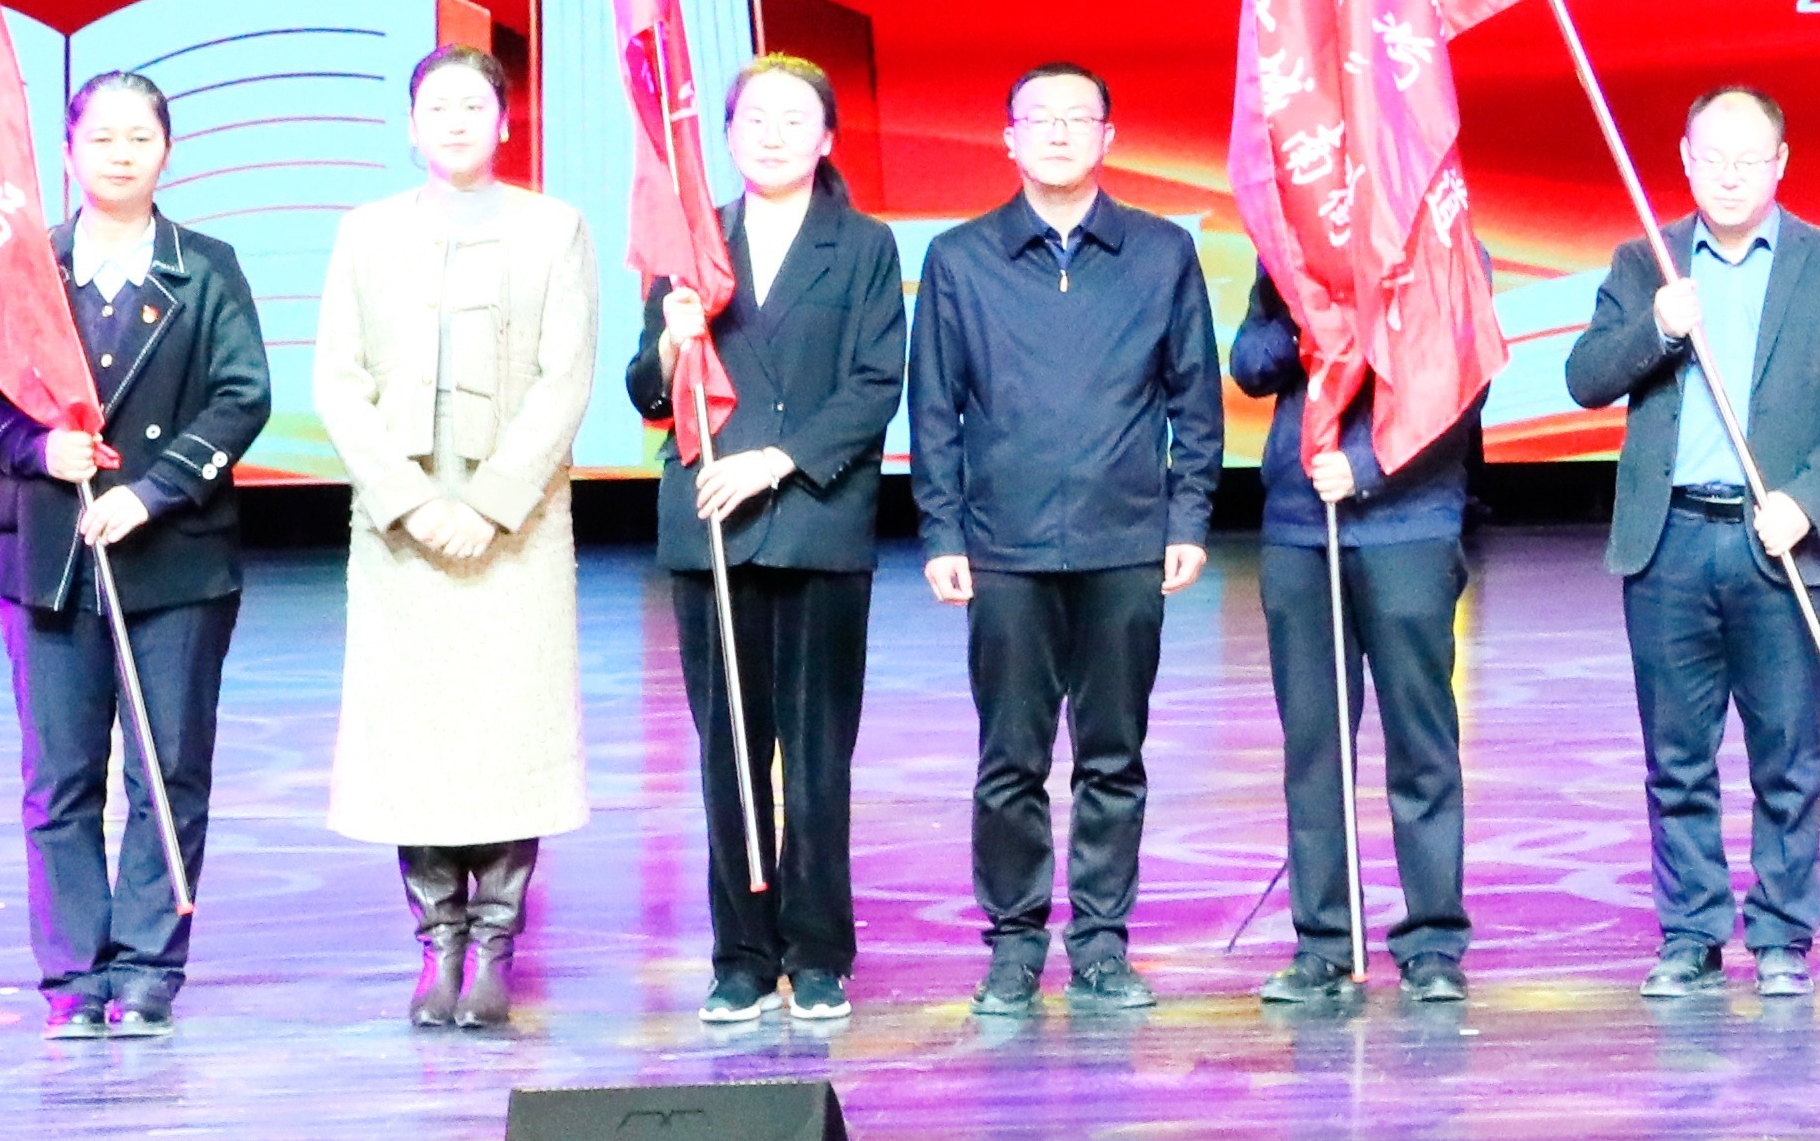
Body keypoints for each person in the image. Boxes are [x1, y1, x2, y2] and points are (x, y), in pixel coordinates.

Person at [0, 68, 272, 1037]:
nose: (121, 154)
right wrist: (36, 448)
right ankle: (73, 976)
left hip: (177, 559)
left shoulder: (205, 267)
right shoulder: (24, 271)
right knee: (59, 777)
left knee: (167, 772)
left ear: (166, 150)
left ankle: (147, 968)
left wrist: (152, 491)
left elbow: (242, 395)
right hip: (48, 555)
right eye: (102, 137)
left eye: (140, 137)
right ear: (68, 151)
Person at [1566, 86, 1820, 999]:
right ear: (1683, 158)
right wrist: (1656, 328)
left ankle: (1783, 932)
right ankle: (1691, 932)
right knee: (1677, 757)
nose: (1730, 175)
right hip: (1669, 541)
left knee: (1788, 757)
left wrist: (1809, 499)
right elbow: (1585, 375)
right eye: (1712, 157)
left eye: (1749, 158)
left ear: (1782, 162)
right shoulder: (1647, 259)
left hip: (1779, 541)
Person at [914, 63, 1220, 1017]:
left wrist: (1188, 517)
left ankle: (1101, 943)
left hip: (1125, 542)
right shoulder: (961, 258)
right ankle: (1013, 945)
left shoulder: (1162, 252)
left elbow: (1196, 399)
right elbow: (934, 410)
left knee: (1113, 757)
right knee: (1009, 759)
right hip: (1002, 549)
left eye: (1076, 117)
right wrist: (941, 528)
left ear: (1108, 136)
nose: (1056, 132)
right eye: (1037, 118)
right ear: (1007, 137)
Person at [313, 45, 599, 1029]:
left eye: (474, 104)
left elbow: (566, 378)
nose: (456, 119)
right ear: (410, 124)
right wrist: (410, 498)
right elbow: (338, 381)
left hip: (514, 528)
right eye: (437, 105)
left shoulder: (555, 228)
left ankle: (496, 947)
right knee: (419, 736)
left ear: (504, 121)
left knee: (508, 730)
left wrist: (490, 502)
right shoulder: (365, 232)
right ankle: (437, 945)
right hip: (402, 532)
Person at [624, 53, 907, 1030]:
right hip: (712, 524)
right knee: (729, 756)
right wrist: (672, 336)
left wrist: (779, 459)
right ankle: (741, 955)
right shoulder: (690, 246)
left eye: (795, 117)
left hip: (818, 520)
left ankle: (818, 952)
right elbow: (648, 391)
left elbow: (875, 383)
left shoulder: (863, 245)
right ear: (728, 135)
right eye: (755, 118)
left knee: (818, 757)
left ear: (827, 138)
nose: (774, 133)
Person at [1232, 264, 1475, 1011]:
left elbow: (1458, 383)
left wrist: (1367, 466)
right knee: (1315, 745)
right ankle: (1324, 941)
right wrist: (1304, 321)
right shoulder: (1293, 251)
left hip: (1409, 522)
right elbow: (1248, 364)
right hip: (1301, 525)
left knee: (1421, 743)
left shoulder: (1441, 241)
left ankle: (1432, 941)